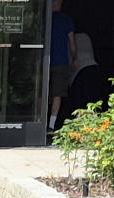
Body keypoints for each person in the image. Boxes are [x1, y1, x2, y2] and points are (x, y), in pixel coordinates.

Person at [61, 30, 109, 122]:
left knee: (80, 102)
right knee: (95, 100)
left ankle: (82, 123)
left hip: (80, 73)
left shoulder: (70, 41)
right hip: (93, 68)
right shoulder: (86, 37)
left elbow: (71, 59)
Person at [48, 0, 75, 130]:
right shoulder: (66, 21)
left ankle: (37, 120)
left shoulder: (44, 19)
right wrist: (74, 59)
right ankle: (51, 125)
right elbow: (72, 43)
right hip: (61, 62)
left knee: (41, 92)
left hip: (43, 61)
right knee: (57, 94)